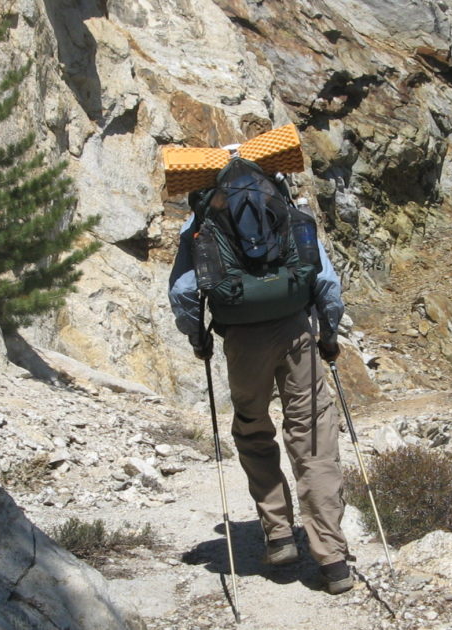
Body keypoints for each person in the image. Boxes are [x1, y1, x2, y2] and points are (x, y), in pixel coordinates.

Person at [167, 190, 354, 595]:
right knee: (314, 437)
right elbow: (324, 280)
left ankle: (279, 534)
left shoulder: (200, 221)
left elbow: (184, 292)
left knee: (253, 430)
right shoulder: (285, 211)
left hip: (242, 341)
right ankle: (333, 560)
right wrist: (330, 334)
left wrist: (197, 338)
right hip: (295, 331)